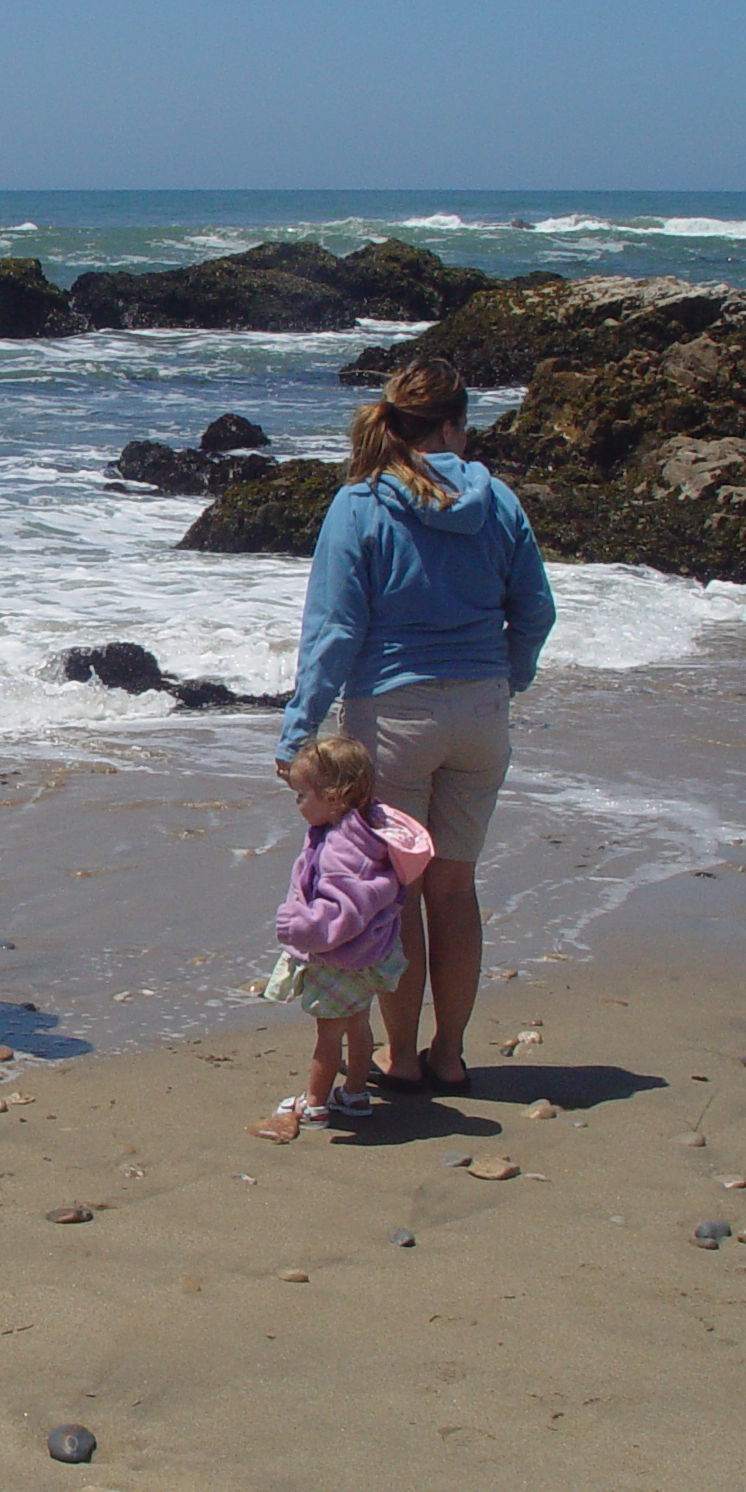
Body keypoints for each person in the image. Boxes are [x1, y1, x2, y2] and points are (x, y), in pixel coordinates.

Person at [275, 356, 555, 1096]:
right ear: (458, 424)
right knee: (456, 889)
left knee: (396, 892)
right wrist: (507, 679)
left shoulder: (361, 504)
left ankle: (401, 1059)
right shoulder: (500, 504)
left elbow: (333, 631)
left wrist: (298, 729)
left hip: (393, 716)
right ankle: (452, 1055)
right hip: (481, 710)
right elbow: (536, 613)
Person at [251, 735, 432, 1140]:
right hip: (367, 956)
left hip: (338, 957)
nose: (298, 805)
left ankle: (315, 1104)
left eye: (302, 796)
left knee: (327, 1035)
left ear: (333, 798)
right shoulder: (368, 830)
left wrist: (299, 927)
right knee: (358, 1025)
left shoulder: (340, 850)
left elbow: (343, 910)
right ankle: (354, 1094)